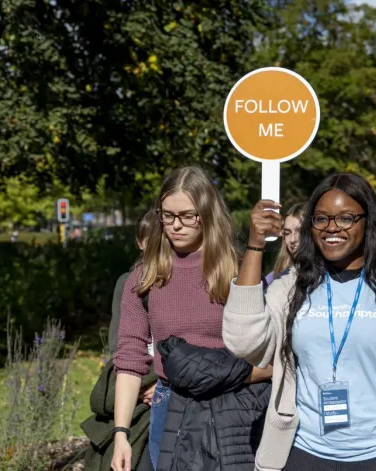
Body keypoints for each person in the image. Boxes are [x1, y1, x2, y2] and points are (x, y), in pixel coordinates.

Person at [223, 173, 376, 471]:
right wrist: (254, 248)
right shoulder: (292, 285)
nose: (332, 228)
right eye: (322, 219)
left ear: (368, 222)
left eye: (345, 218)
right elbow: (244, 342)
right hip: (302, 453)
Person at [112, 165, 264, 471]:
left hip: (233, 402)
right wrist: (121, 434)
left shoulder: (237, 272)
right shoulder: (144, 278)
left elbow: (265, 348)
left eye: (187, 216)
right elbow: (130, 358)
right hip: (169, 405)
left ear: (208, 214)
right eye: (167, 215)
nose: (175, 225)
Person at [109, 209, 158, 359]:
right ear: (140, 243)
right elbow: (117, 344)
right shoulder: (128, 283)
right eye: (152, 241)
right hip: (140, 374)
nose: (158, 248)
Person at [266, 202, 307, 284]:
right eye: (287, 233)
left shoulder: (330, 274)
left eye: (299, 231)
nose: (292, 240)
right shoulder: (272, 279)